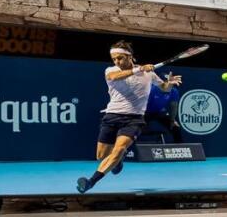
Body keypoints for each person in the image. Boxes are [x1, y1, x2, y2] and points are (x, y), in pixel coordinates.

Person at [76, 44, 182, 193]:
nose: (117, 62)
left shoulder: (149, 74)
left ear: (130, 56)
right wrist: (139, 69)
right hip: (112, 116)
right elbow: (113, 77)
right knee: (101, 155)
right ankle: (117, 161)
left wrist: (169, 84)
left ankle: (90, 182)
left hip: (134, 119)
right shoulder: (111, 70)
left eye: (120, 58)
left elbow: (164, 87)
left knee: (119, 148)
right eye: (114, 59)